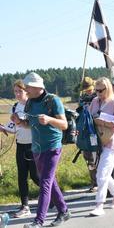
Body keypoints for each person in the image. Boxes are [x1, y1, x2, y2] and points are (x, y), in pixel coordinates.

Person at [11, 72, 71, 228]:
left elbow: (64, 125)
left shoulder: (53, 100)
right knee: (50, 182)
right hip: (36, 148)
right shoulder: (30, 102)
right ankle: (64, 211)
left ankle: (38, 221)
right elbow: (30, 124)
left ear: (37, 87)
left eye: (27, 87)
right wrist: (20, 122)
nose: (25, 90)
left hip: (52, 147)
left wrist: (50, 119)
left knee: (45, 182)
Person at [0, 80, 39, 218]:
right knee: (22, 176)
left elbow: (34, 124)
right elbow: (13, 128)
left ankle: (53, 195)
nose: (17, 94)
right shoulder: (15, 106)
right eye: (15, 91)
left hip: (34, 145)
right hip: (20, 145)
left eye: (19, 91)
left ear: (26, 91)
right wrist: (3, 128)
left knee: (35, 176)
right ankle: (25, 206)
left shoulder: (33, 105)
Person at [89, 77, 114, 216]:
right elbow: (89, 117)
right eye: (96, 90)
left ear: (108, 88)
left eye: (100, 90)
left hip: (111, 141)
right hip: (97, 142)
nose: (97, 93)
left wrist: (105, 122)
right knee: (102, 174)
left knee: (102, 174)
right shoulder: (94, 102)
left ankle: (99, 204)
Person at [79, 76, 99, 192]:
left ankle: (101, 181)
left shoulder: (98, 96)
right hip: (86, 130)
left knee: (98, 156)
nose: (88, 90)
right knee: (88, 157)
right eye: (86, 88)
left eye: (89, 88)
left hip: (96, 128)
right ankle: (94, 182)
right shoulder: (82, 98)